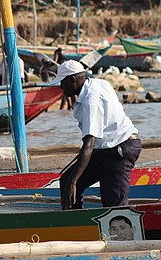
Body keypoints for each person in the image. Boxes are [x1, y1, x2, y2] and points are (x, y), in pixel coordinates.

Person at [52, 59, 141, 210]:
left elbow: (89, 145)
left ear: (73, 80)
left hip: (120, 148)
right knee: (67, 180)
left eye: (63, 83)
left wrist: (74, 183)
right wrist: (72, 181)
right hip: (105, 148)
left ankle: (118, 231)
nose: (61, 87)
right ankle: (76, 226)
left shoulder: (90, 101)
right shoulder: (98, 83)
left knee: (113, 206)